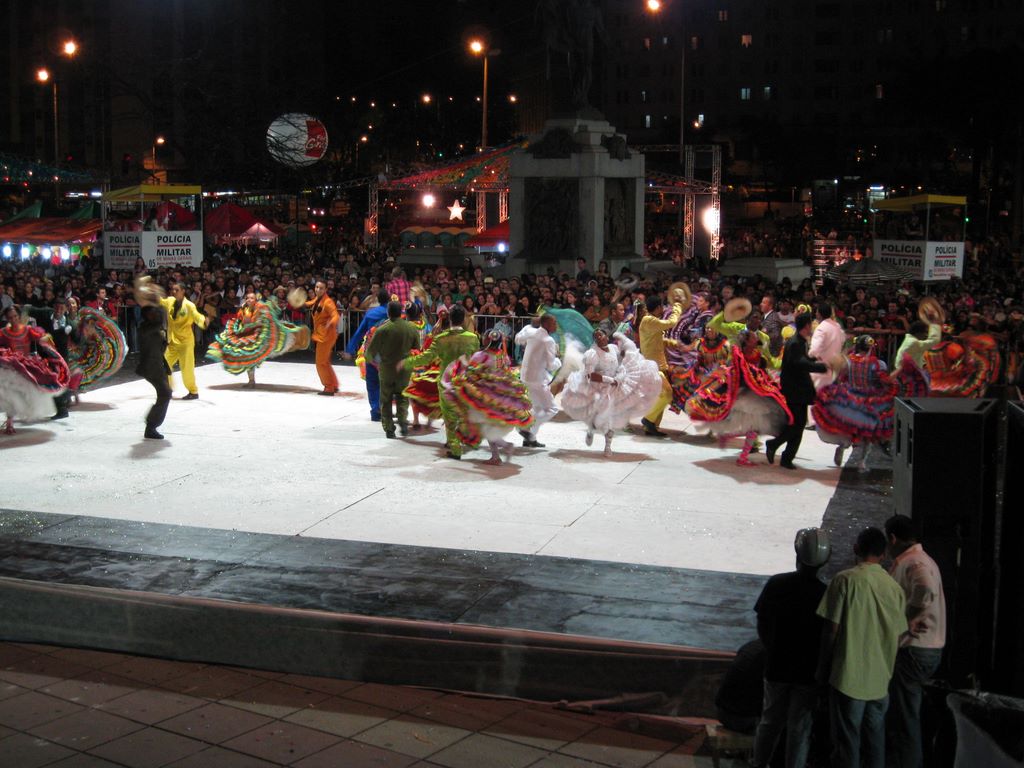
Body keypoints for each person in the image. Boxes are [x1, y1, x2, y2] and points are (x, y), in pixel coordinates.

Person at [816, 527, 908, 768]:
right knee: (875, 742)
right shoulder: (895, 589)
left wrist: (822, 670)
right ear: (884, 553)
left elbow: (831, 630)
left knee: (847, 744)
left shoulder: (845, 580)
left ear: (856, 548)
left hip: (848, 678)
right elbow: (899, 634)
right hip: (880, 681)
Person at [751, 527, 831, 768]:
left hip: (778, 666)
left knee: (769, 721)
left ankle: (759, 763)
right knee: (799, 728)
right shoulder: (824, 593)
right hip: (808, 672)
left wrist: (772, 648)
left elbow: (762, 621)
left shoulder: (777, 584)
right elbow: (828, 635)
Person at [884, 514, 946, 768]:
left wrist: (906, 618)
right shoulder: (923, 559)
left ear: (892, 538)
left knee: (904, 718)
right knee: (908, 713)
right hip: (926, 649)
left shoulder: (913, 562)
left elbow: (925, 589)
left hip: (914, 649)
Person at [560, 329, 662, 456]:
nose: (599, 338)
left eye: (601, 335)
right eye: (596, 337)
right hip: (598, 388)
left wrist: (624, 359)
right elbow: (589, 376)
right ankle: (591, 428)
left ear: (607, 337)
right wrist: (608, 379)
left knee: (610, 416)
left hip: (615, 387)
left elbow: (620, 360)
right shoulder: (592, 354)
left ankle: (607, 446)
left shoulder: (613, 348)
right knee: (598, 416)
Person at [444, 330, 533, 465]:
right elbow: (506, 368)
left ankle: (506, 446)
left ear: (489, 340)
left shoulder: (481, 355)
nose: (483, 339)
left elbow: (470, 372)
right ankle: (496, 457)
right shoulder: (501, 355)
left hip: (483, 398)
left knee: (483, 427)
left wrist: (459, 380)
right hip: (498, 397)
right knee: (487, 426)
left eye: (485, 337)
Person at [402, 304, 479, 459]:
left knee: (449, 415)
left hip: (446, 382)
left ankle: (454, 447)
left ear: (450, 319)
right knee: (463, 412)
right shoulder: (473, 338)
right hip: (465, 381)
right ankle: (463, 440)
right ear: (463, 319)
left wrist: (407, 362)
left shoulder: (441, 338)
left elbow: (426, 357)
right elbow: (475, 360)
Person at [813, 335, 897, 470]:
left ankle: (843, 446)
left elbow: (842, 378)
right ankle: (862, 462)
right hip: (868, 401)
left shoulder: (848, 360)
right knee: (867, 433)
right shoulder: (875, 363)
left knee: (848, 428)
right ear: (870, 348)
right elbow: (883, 380)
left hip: (850, 398)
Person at [765, 313, 829, 470]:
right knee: (796, 424)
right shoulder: (795, 343)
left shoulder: (800, 341)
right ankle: (774, 444)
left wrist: (816, 360)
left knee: (799, 424)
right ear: (806, 325)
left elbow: (803, 360)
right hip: (794, 390)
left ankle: (787, 458)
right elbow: (799, 363)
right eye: (810, 324)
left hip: (799, 389)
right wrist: (822, 367)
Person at [0, 305, 71, 433]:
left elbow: (42, 339)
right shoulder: (3, 333)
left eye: (15, 316)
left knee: (26, 395)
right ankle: (10, 421)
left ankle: (16, 417)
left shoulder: (28, 330)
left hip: (27, 368)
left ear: (19, 316)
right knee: (10, 395)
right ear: (7, 318)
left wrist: (45, 341)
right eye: (10, 317)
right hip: (11, 368)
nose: (13, 319)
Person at [366, 301, 420, 439]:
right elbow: (416, 347)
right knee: (403, 396)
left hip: (387, 369)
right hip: (404, 369)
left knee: (386, 399)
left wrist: (376, 362)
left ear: (388, 313)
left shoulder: (382, 329)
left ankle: (389, 429)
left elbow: (370, 353)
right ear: (401, 312)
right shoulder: (411, 328)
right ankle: (402, 421)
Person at [638, 294, 684, 436]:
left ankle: (651, 427)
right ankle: (648, 420)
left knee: (658, 396)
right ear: (658, 307)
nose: (663, 309)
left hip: (657, 365)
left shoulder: (650, 321)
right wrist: (677, 306)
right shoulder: (649, 320)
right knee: (667, 393)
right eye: (662, 306)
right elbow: (671, 322)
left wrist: (673, 343)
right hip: (652, 367)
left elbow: (655, 340)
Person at [514, 313, 561, 448]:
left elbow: (518, 339)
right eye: (554, 323)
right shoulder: (548, 340)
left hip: (525, 376)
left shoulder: (531, 332)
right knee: (552, 409)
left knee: (537, 407)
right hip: (537, 379)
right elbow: (551, 365)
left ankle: (530, 438)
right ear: (546, 324)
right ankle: (526, 428)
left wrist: (529, 325)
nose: (556, 325)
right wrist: (559, 360)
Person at [159, 282, 209, 400]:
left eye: (176, 290)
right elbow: (160, 301)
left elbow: (197, 316)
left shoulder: (189, 305)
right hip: (172, 341)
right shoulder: (170, 301)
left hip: (186, 342)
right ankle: (167, 389)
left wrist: (204, 321)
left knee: (187, 368)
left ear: (183, 291)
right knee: (163, 365)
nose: (174, 292)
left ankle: (193, 391)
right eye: (173, 289)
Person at [345, 288, 390, 415]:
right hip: (389, 353)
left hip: (372, 352)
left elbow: (359, 332)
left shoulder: (371, 314)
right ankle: (385, 409)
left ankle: (375, 410)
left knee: (372, 382)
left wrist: (350, 349)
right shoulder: (393, 313)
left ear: (378, 300)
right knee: (387, 381)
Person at [136, 304, 172, 440]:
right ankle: (151, 425)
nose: (156, 315)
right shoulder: (145, 328)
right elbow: (160, 321)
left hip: (158, 366)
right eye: (153, 313)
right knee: (165, 393)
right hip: (151, 368)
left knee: (165, 394)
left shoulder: (154, 328)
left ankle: (152, 425)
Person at [808, 301, 845, 390]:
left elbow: (814, 350)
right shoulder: (837, 325)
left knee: (818, 394)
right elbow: (843, 340)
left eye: (817, 312)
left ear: (819, 314)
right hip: (835, 366)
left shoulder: (821, 328)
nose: (816, 314)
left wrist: (809, 355)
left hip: (822, 367)